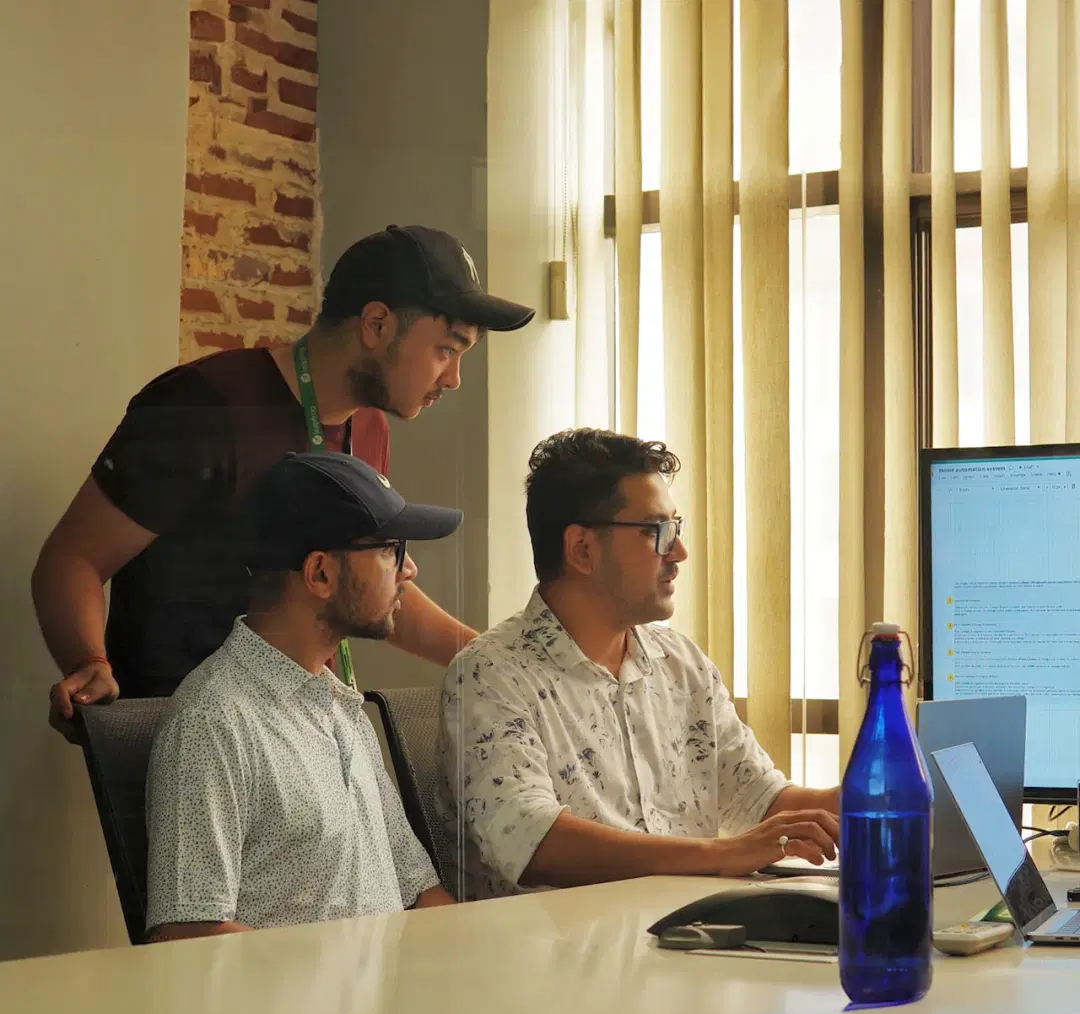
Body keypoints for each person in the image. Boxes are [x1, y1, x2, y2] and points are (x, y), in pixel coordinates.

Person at [33, 224, 534, 738]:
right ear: (377, 325)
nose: (453, 380)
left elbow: (371, 583)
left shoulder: (369, 427)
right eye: (447, 351)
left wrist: (491, 659)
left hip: (303, 737)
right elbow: (74, 558)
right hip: (185, 737)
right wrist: (88, 660)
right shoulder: (202, 406)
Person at [438, 428, 840, 900]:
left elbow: (760, 799)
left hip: (689, 944)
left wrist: (879, 796)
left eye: (676, 527)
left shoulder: (681, 664)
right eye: (657, 532)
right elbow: (535, 841)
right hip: (556, 960)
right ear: (582, 550)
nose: (679, 553)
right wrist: (719, 856)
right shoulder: (489, 675)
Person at [145, 450, 459, 940]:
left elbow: (418, 888)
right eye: (389, 549)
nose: (408, 569)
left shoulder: (341, 708)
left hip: (387, 1005)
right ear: (319, 574)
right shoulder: (213, 721)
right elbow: (188, 935)